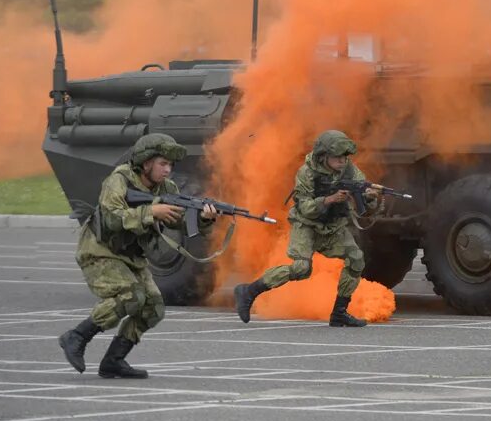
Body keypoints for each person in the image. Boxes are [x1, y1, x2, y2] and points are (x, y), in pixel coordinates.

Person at [59, 133, 218, 378]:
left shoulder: (168, 188)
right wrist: (151, 212)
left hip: (132, 256)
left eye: (171, 165)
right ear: (146, 163)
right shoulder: (120, 180)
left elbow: (182, 227)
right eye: (163, 164)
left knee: (153, 307)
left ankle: (113, 360)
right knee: (130, 297)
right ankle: (77, 336)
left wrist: (204, 219)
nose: (168, 170)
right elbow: (112, 218)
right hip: (100, 251)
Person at [233, 130, 380, 327]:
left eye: (346, 156)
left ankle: (339, 313)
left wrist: (369, 197)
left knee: (356, 260)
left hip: (333, 228)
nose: (343, 161)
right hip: (307, 226)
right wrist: (329, 199)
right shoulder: (307, 173)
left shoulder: (350, 171)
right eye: (337, 157)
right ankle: (249, 291)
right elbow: (305, 208)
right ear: (324, 156)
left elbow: (365, 208)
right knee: (301, 268)